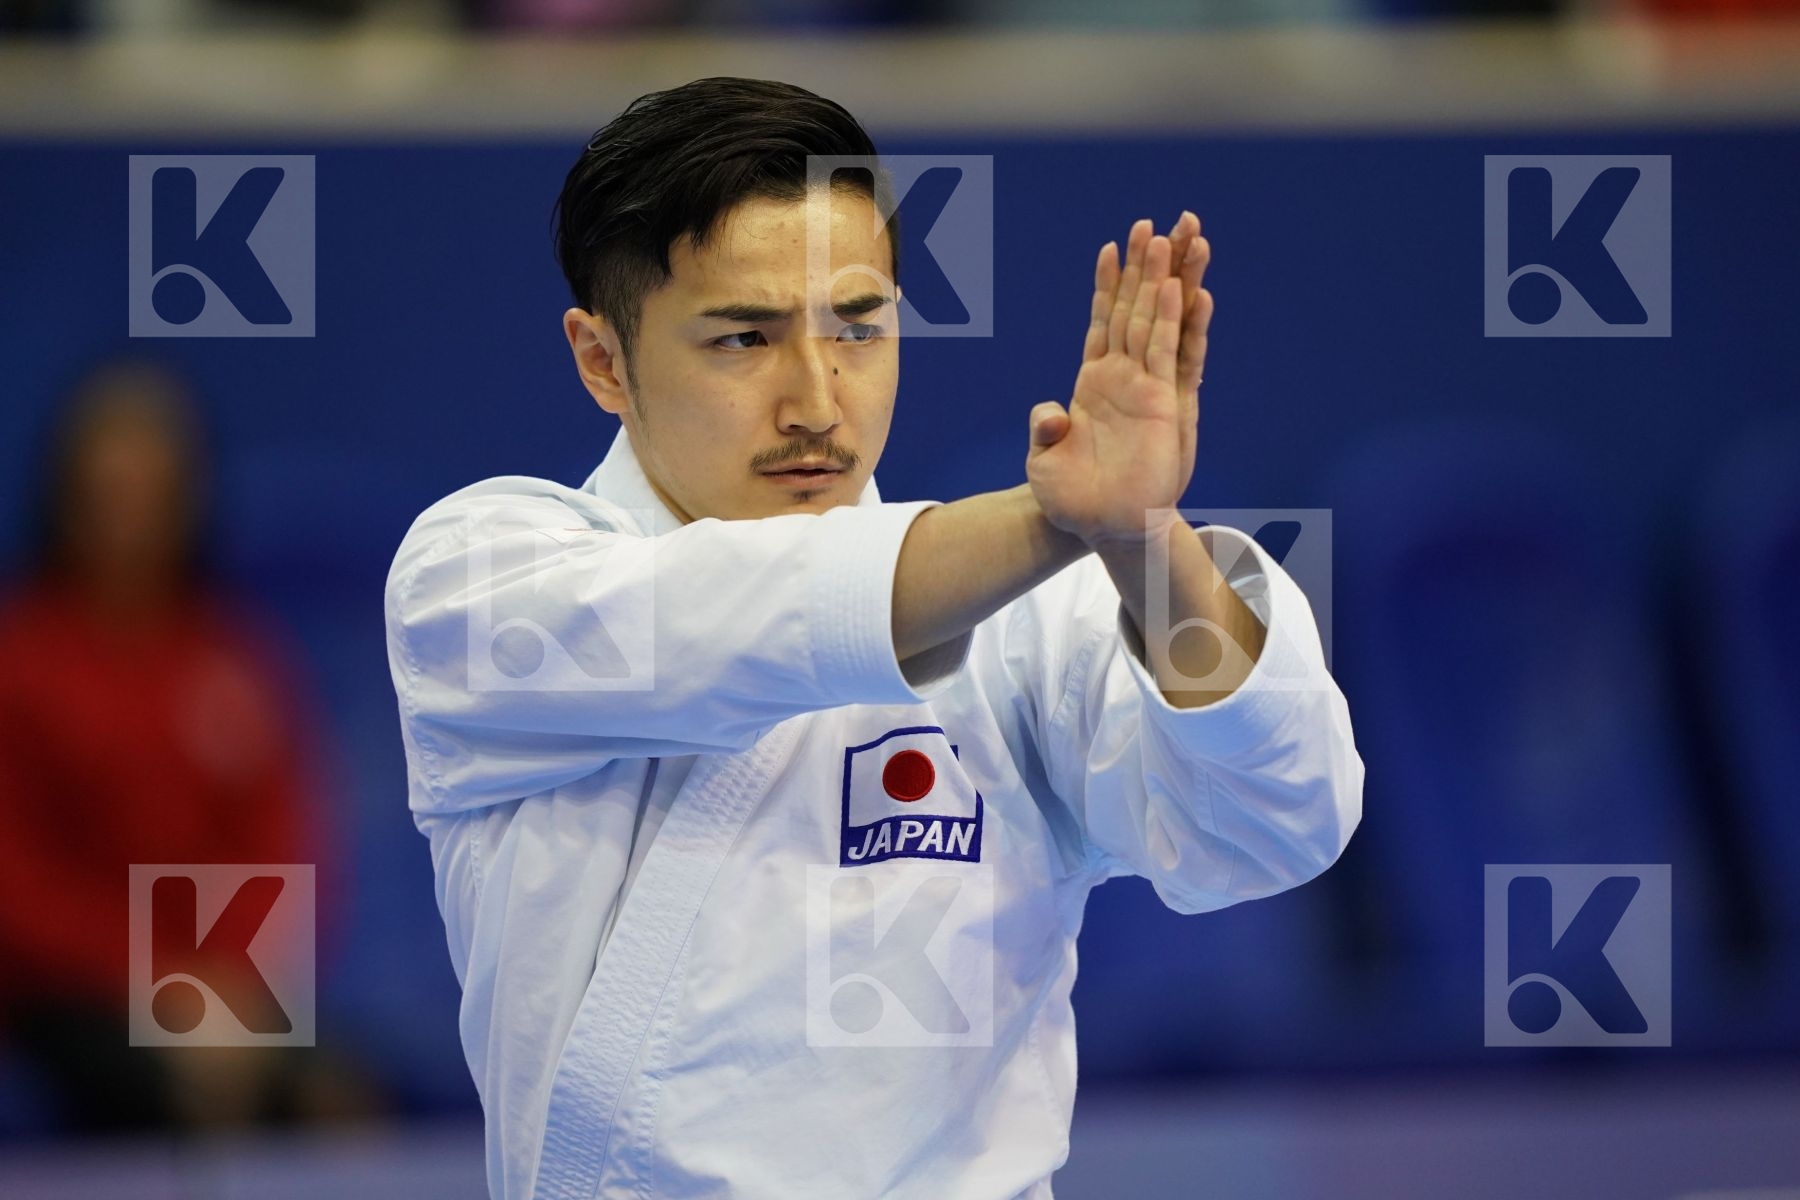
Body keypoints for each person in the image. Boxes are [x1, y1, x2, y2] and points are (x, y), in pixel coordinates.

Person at [384, 76, 1362, 1199]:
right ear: (601, 358)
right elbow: (733, 617)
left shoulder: (1028, 607)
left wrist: (1145, 542)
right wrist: (1064, 518)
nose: (816, 400)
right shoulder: (481, 577)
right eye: (744, 338)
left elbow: (1276, 820)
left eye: (859, 326)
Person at [0, 358, 355, 1135]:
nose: (131, 515)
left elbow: (280, 846)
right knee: (169, 1098)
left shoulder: (235, 657)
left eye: (151, 490)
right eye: (109, 491)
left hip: (223, 996)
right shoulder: (20, 660)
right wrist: (155, 983)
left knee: (336, 1097)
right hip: (60, 1001)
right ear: (66, 497)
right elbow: (16, 880)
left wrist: (228, 989)